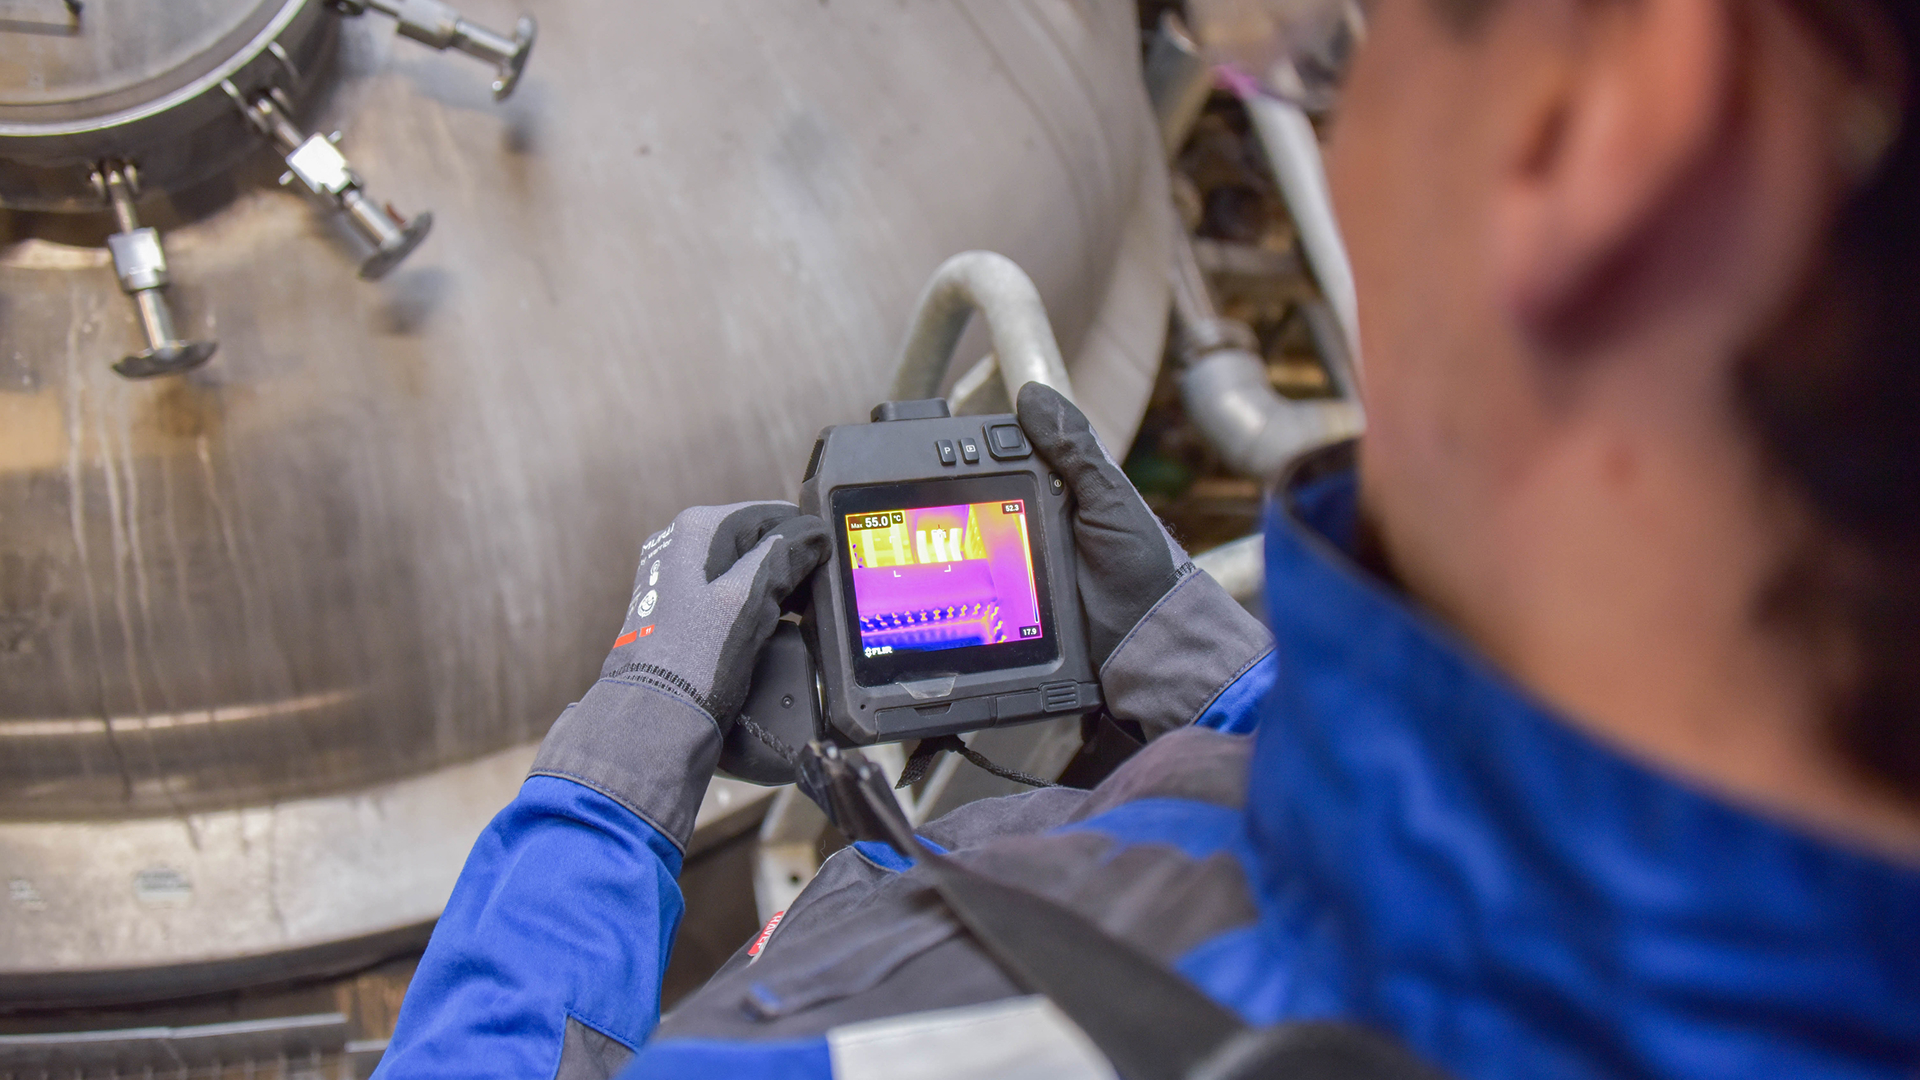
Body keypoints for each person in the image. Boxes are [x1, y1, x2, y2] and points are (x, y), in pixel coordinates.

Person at [372, 0, 1920, 1076]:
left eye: (1338, 51)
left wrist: (602, 795)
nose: (1340, 135)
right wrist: (1223, 694)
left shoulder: (883, 1048)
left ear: (1597, 133)